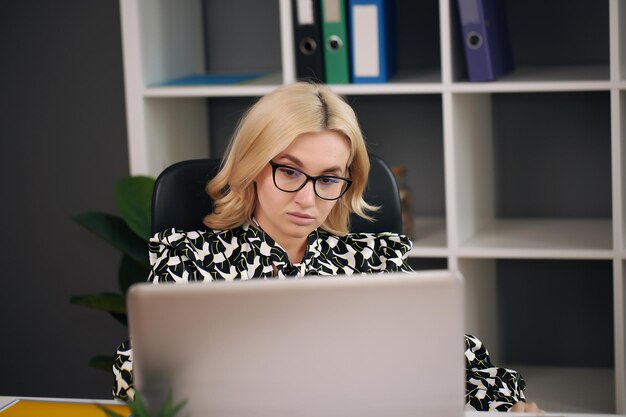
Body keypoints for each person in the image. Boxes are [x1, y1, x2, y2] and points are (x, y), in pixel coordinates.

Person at [113, 82, 541, 413]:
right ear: (253, 168)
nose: (308, 199)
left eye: (329, 178)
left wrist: (508, 407)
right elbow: (136, 375)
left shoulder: (372, 260)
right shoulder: (192, 258)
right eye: (290, 172)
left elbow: (460, 362)